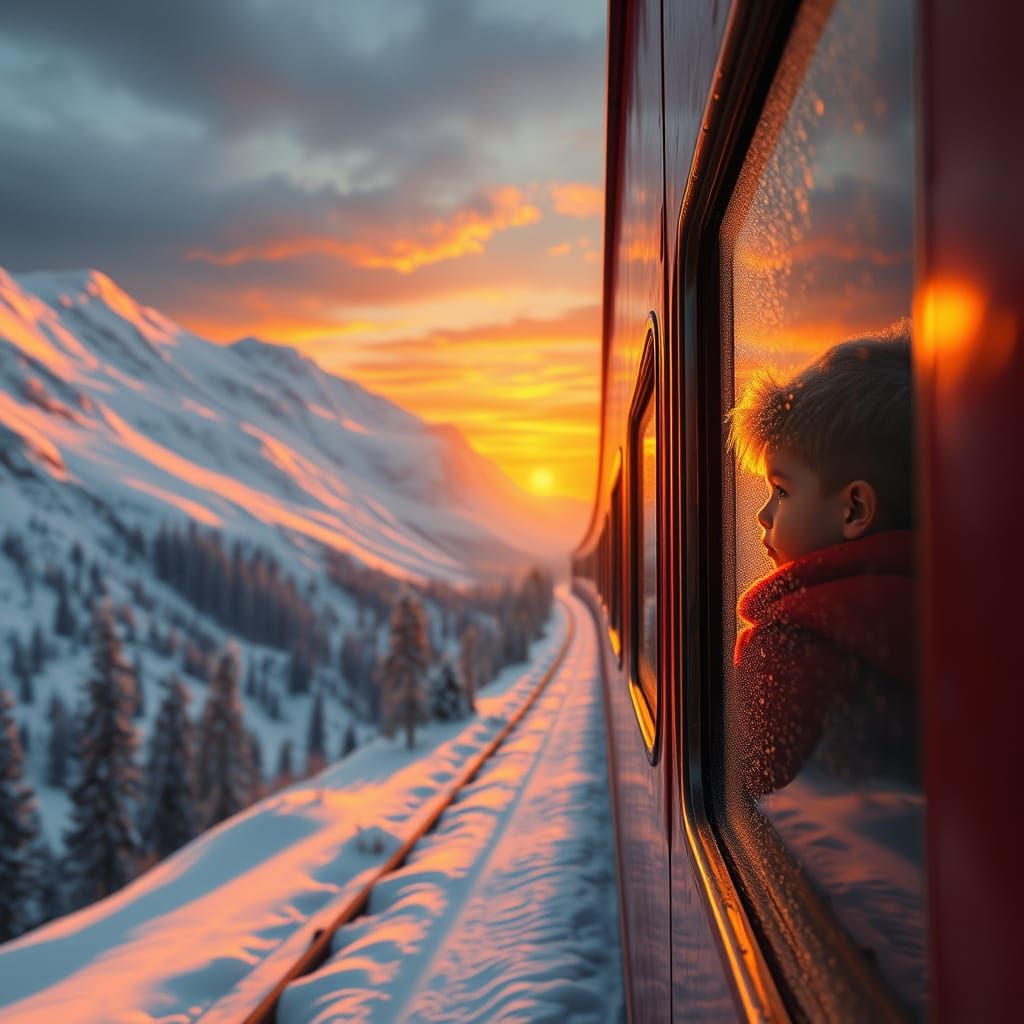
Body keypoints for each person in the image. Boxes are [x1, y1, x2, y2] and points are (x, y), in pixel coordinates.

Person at [727, 321, 916, 797]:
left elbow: (737, 772)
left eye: (782, 490)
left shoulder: (791, 641)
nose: (763, 513)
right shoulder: (945, 600)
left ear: (854, 509)